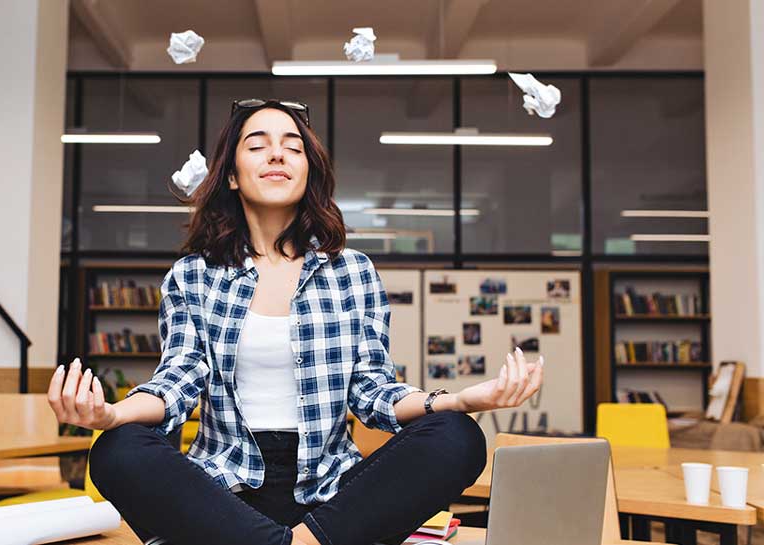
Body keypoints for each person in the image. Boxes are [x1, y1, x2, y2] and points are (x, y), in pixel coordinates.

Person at [48, 98, 544, 545]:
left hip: (331, 495)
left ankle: (302, 543)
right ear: (232, 175)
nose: (278, 155)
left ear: (309, 172)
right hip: (225, 493)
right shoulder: (193, 275)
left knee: (456, 436)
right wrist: (111, 416)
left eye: (293, 147)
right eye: (258, 145)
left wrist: (456, 401)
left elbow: (373, 392)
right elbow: (177, 383)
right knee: (116, 451)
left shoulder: (353, 272)